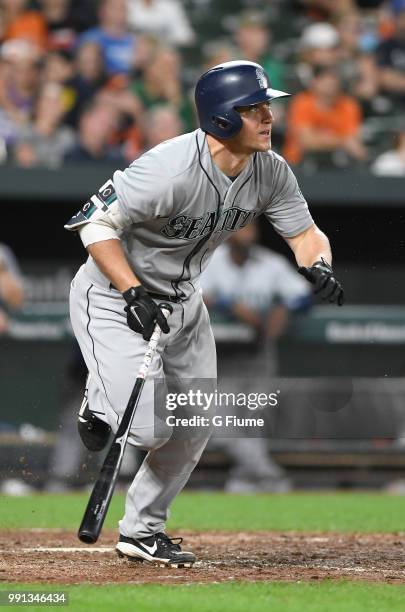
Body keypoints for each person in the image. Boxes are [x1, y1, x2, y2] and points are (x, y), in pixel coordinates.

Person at [65, 60, 344, 567]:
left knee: (197, 420)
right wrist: (131, 292)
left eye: (267, 106)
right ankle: (99, 398)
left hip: (183, 304)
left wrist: (317, 264)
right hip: (112, 296)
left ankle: (142, 531)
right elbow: (94, 225)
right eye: (253, 108)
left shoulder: (271, 171)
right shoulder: (168, 168)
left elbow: (304, 234)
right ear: (220, 118)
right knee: (148, 430)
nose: (267, 116)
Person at [202, 222, 311, 493]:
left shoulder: (270, 264)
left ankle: (245, 480)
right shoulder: (212, 261)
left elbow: (303, 295)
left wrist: (284, 307)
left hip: (258, 355)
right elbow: (194, 292)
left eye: (251, 230)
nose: (247, 235)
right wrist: (229, 305)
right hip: (221, 356)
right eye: (241, 229)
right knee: (221, 425)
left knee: (252, 421)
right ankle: (270, 477)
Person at [283, 65, 367, 167]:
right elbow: (307, 141)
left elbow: (354, 142)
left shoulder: (348, 105)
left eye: (333, 78)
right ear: (314, 82)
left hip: (338, 164)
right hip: (299, 164)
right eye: (324, 79)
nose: (330, 83)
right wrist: (341, 141)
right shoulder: (302, 102)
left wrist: (323, 139)